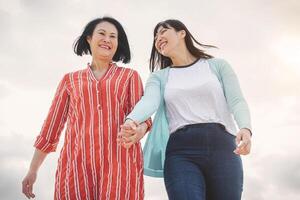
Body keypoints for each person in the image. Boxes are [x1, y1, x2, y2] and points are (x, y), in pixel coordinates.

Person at [118, 19, 252, 200]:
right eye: (155, 37)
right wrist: (131, 120)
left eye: (163, 31)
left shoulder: (217, 66)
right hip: (181, 152)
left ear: (182, 33)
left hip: (223, 148)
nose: (158, 38)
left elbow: (236, 100)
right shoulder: (159, 77)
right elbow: (149, 101)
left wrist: (245, 127)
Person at [22, 17, 151, 200]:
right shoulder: (70, 80)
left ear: (117, 44)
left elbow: (144, 117)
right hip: (76, 168)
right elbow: (51, 128)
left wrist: (140, 129)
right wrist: (33, 169)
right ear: (89, 38)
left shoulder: (130, 77)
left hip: (121, 166)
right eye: (102, 33)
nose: (107, 39)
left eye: (113, 36)